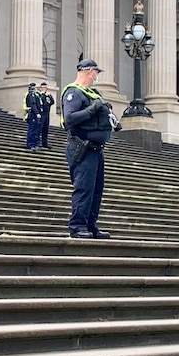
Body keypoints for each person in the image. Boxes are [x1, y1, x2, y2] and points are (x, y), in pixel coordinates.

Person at [60, 59, 119, 239]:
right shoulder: (74, 93)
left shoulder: (93, 94)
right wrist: (92, 110)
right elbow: (69, 119)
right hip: (82, 147)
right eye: (96, 72)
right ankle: (77, 226)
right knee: (84, 188)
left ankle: (91, 225)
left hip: (96, 149)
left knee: (96, 190)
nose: (97, 76)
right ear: (89, 71)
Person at [24, 82, 43, 151]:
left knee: (35, 130)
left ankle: (34, 144)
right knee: (32, 130)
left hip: (35, 114)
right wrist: (37, 113)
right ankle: (30, 144)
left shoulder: (36, 95)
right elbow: (33, 104)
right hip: (33, 114)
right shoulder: (31, 95)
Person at [37, 82, 55, 150]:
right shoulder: (40, 95)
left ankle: (45, 143)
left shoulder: (48, 95)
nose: (46, 89)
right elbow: (42, 102)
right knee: (40, 128)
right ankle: (38, 142)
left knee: (45, 128)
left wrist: (49, 95)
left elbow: (52, 102)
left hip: (47, 113)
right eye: (44, 88)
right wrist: (43, 94)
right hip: (42, 113)